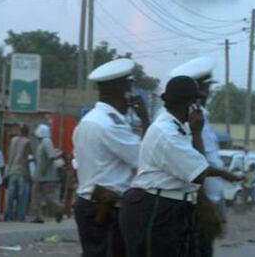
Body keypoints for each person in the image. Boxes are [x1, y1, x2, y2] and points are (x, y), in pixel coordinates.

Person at [120, 76, 242, 257]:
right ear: (190, 104)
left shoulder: (175, 127)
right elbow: (199, 173)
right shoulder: (168, 133)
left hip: (170, 205)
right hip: (159, 207)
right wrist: (197, 132)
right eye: (196, 102)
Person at [73, 58, 149, 257]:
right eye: (129, 88)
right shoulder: (111, 124)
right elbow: (146, 160)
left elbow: (76, 164)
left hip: (89, 203)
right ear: (122, 90)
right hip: (108, 207)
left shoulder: (87, 121)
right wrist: (146, 120)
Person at [168, 57, 226, 256]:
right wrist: (206, 205)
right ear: (196, 90)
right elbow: (193, 167)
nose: (208, 93)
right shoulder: (182, 121)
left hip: (206, 199)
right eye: (206, 88)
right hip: (195, 203)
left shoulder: (200, 116)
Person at [30, 124, 64, 223]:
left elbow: (51, 156)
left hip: (47, 176)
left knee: (49, 197)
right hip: (39, 176)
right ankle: (38, 216)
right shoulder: (41, 144)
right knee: (36, 197)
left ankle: (59, 209)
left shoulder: (46, 141)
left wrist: (44, 169)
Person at [4, 124, 32, 222]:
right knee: (22, 196)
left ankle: (8, 216)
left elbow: (9, 155)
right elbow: (26, 158)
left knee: (10, 196)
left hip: (11, 170)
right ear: (27, 132)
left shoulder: (13, 140)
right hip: (22, 172)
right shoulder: (27, 142)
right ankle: (20, 216)